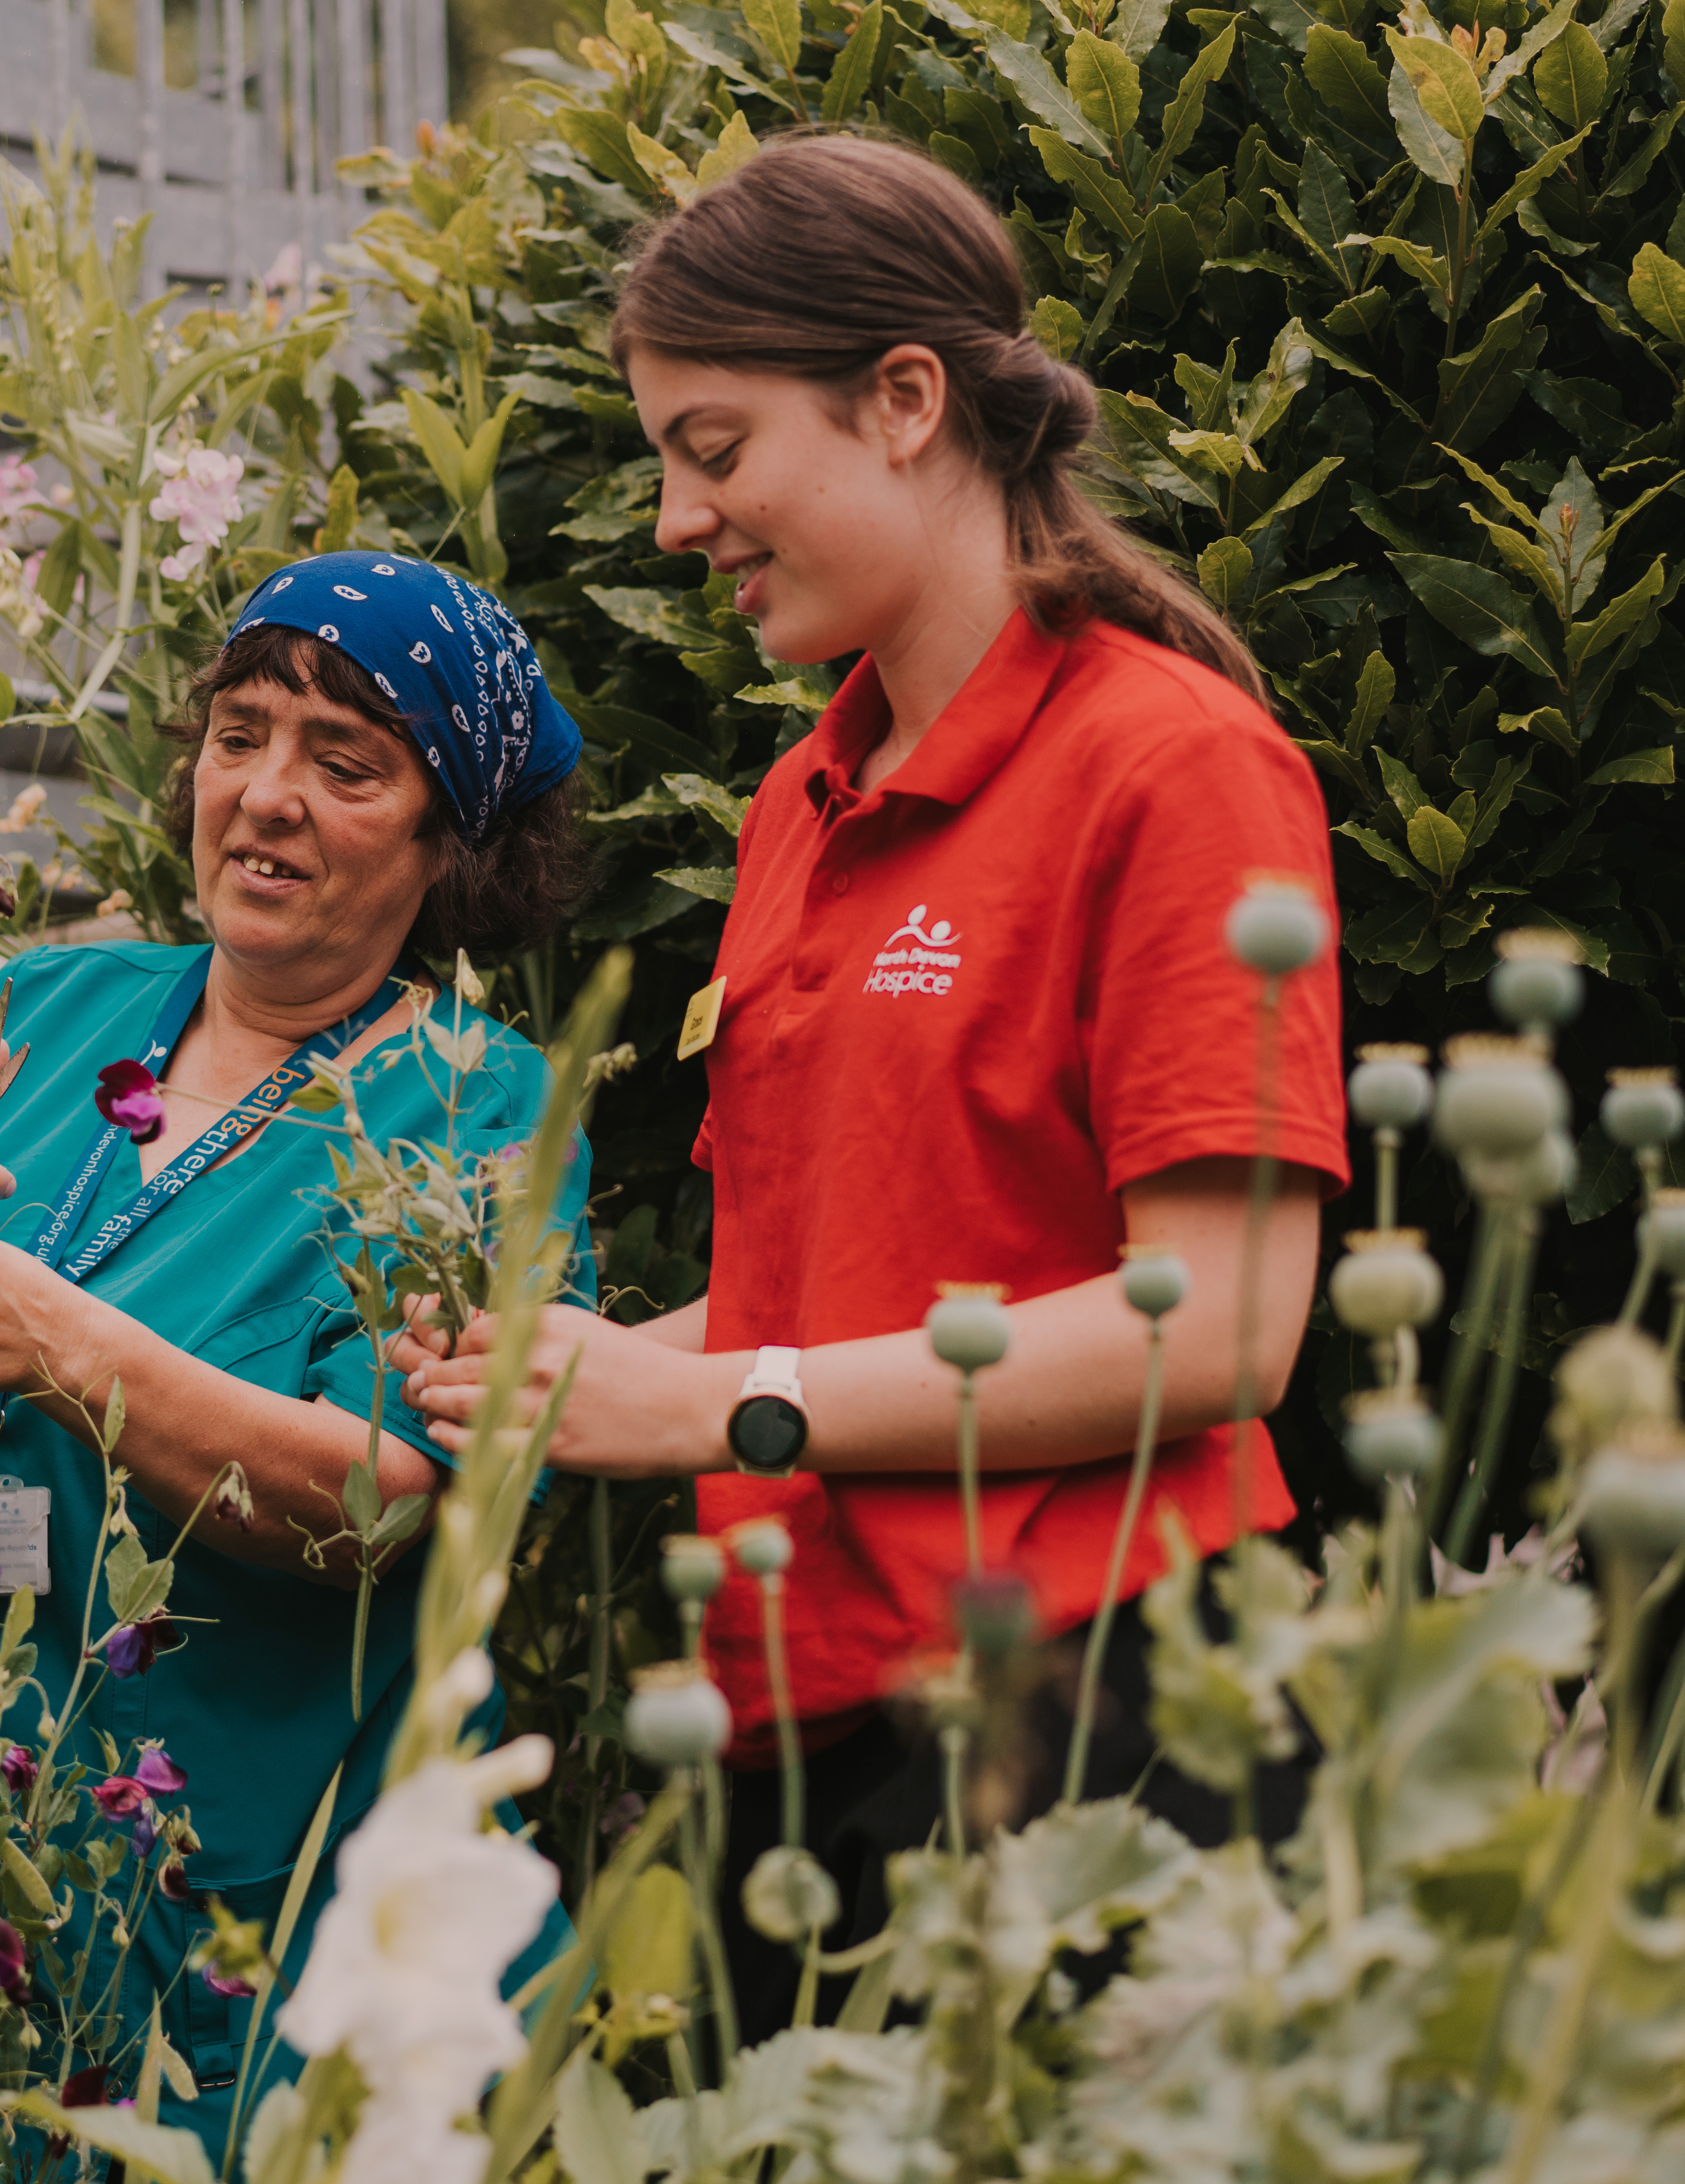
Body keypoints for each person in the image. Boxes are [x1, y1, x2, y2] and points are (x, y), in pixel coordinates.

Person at [389, 135, 1348, 2039]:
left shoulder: (1174, 771)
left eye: (715, 446)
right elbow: (834, 1302)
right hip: (800, 1728)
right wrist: (569, 1372)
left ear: (905, 400)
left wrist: (716, 1405)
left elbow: (1226, 1330)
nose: (675, 517)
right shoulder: (798, 808)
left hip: (1103, 1706)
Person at [0, 551, 594, 2154]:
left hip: (249, 1919)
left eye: (344, 765)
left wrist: (48, 1335)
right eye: (239, 736)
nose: (267, 797)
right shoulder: (45, 1009)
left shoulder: (476, 1109)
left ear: (449, 849)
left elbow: (375, 1497)